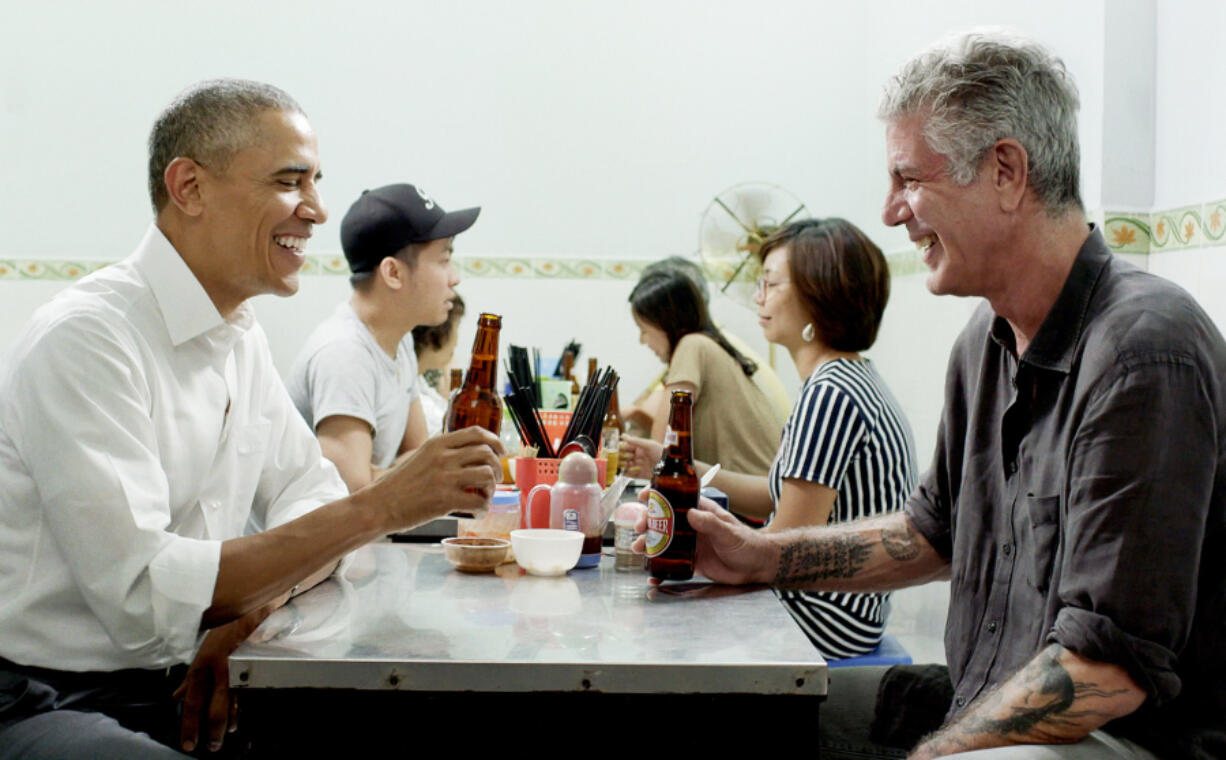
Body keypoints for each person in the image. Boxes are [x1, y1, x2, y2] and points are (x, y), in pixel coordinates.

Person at [644, 32, 1226, 760]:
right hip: (980, 695)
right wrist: (760, 556)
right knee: (723, 717)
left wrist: (934, 754)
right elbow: (930, 534)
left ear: (1006, 171)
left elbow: (1106, 670)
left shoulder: (1144, 351)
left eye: (908, 178)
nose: (891, 211)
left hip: (1112, 739)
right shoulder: (983, 341)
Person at [0, 80, 501, 759]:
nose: (318, 210)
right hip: (49, 697)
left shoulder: (239, 337)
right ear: (190, 188)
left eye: (317, 182)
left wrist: (243, 615)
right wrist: (381, 507)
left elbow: (312, 495)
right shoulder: (90, 339)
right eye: (290, 181)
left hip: (184, 678)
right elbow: (145, 595)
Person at [623, 218, 917, 658]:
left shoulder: (832, 393)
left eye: (771, 284)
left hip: (825, 617)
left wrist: (714, 543)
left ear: (819, 297)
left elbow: (784, 546)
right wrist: (688, 474)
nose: (758, 297)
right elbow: (771, 499)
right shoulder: (844, 379)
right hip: (845, 609)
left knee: (653, 629)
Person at [287, 183, 478, 492]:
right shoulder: (345, 354)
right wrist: (388, 472)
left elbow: (418, 454)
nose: (454, 277)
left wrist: (385, 471)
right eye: (443, 260)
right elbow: (351, 492)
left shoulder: (398, 340)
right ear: (393, 273)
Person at [627, 267, 783, 476]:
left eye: (644, 330)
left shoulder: (692, 345)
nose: (642, 341)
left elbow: (661, 444)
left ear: (667, 322)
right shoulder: (710, 345)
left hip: (747, 498)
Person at [412, 292, 467, 437]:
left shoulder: (419, 382)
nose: (456, 342)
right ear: (438, 331)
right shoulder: (414, 397)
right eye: (456, 327)